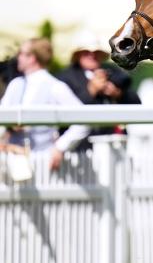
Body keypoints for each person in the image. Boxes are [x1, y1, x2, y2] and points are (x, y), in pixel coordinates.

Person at [0, 38, 90, 171]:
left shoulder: (55, 86)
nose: (18, 57)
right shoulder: (15, 84)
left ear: (32, 58)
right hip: (11, 160)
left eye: (21, 53)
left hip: (43, 161)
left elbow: (84, 121)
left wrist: (60, 147)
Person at [58, 31, 140, 136]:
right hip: (81, 142)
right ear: (78, 55)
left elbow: (136, 103)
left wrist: (117, 94)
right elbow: (66, 114)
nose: (92, 55)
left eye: (96, 52)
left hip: (114, 139)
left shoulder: (114, 72)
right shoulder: (65, 78)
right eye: (86, 52)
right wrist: (91, 91)